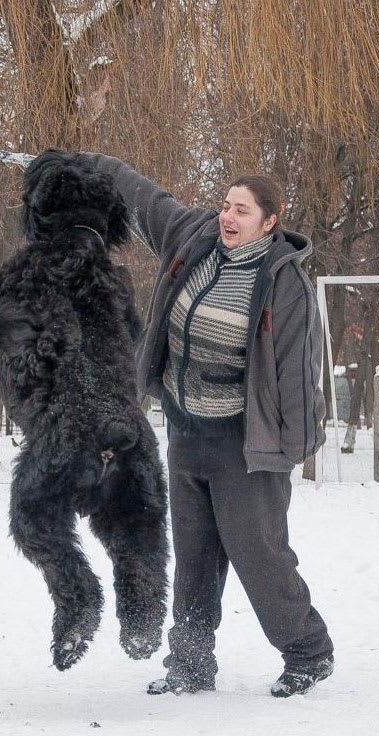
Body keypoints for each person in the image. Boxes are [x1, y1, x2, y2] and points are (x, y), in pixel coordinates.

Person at [83, 152, 334, 697]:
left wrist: (294, 445)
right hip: (186, 431)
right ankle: (190, 664)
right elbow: (146, 198)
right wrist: (96, 166)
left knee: (258, 553)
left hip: (245, 443)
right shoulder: (193, 239)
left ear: (269, 222)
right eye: (226, 205)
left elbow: (298, 369)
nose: (228, 216)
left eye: (242, 210)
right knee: (194, 556)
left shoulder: (284, 283)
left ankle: (308, 652)